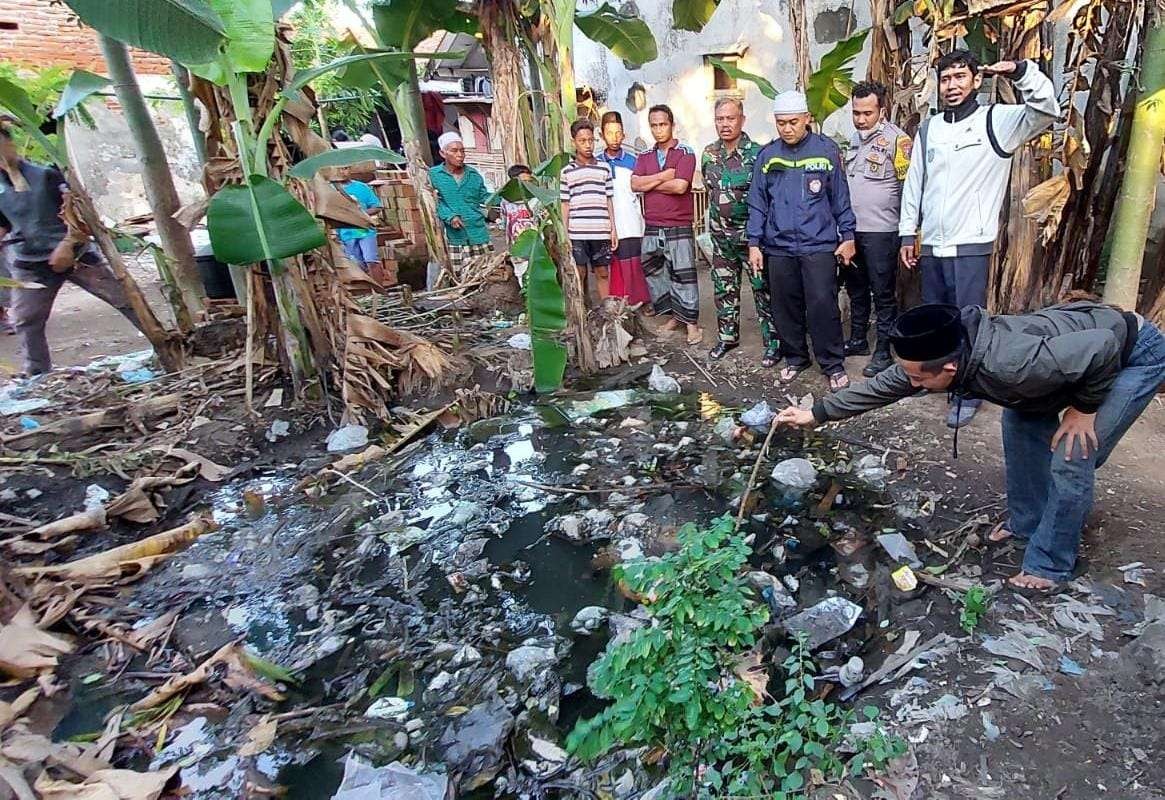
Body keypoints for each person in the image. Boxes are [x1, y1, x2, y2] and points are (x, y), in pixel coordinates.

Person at [776, 301, 1165, 594]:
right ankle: (1027, 524)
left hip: (1130, 352)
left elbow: (1101, 346)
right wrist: (819, 413)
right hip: (1065, 364)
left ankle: (1051, 565)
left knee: (1072, 453)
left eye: (917, 378)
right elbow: (888, 386)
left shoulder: (1011, 365)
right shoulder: (945, 353)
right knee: (1020, 419)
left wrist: (1083, 409)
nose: (911, 383)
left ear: (948, 370)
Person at [899, 50, 1057, 427]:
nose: (952, 85)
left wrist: (1021, 72)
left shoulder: (996, 122)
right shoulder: (930, 128)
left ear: (975, 81)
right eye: (946, 78)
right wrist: (909, 232)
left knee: (968, 323)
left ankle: (968, 392)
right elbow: (915, 183)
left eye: (960, 77)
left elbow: (1045, 109)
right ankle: (936, 380)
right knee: (935, 320)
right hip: (933, 244)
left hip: (971, 242)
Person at [0, 125, 143, 375]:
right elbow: (4, 224)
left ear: (10, 144)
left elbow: (79, 214)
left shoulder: (46, 176)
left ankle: (166, 343)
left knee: (125, 298)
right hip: (30, 262)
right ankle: (38, 375)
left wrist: (68, 244)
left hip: (75, 254)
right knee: (26, 320)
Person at [747, 90, 857, 393]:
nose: (787, 128)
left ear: (807, 118)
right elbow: (758, 202)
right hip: (778, 246)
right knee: (785, 307)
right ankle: (796, 358)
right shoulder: (768, 156)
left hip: (818, 245)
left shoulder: (826, 151)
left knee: (823, 305)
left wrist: (848, 236)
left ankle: (833, 364)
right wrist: (754, 242)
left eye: (793, 122)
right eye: (781, 123)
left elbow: (840, 198)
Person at [701, 97, 777, 365]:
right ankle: (727, 338)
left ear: (742, 120)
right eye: (720, 119)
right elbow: (710, 190)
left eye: (730, 118)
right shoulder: (709, 154)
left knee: (763, 290)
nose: (725, 124)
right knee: (724, 289)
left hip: (750, 239)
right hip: (721, 240)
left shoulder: (757, 154)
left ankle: (773, 343)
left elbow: (765, 198)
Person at [843, 81, 911, 377]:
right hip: (851, 230)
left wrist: (910, 230)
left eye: (867, 113)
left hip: (882, 230)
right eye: (856, 113)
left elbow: (908, 187)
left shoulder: (899, 141)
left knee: (882, 292)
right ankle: (858, 339)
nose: (861, 119)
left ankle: (884, 349)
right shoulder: (853, 140)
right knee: (856, 288)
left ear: (881, 111)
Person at [631, 104, 701, 345]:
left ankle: (692, 324)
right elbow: (635, 185)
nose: (658, 130)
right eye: (654, 125)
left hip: (677, 224)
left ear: (672, 125)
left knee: (683, 274)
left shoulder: (685, 152)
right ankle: (674, 316)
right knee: (655, 269)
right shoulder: (644, 156)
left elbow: (681, 186)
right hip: (652, 224)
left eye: (663, 124)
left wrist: (648, 182)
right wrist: (664, 176)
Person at [597, 111, 650, 307]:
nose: (615, 137)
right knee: (613, 266)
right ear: (601, 135)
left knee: (634, 264)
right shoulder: (597, 163)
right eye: (610, 133)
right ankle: (616, 304)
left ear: (624, 135)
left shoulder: (634, 162)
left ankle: (639, 303)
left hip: (631, 221)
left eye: (618, 133)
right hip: (606, 224)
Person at [560, 118, 618, 300]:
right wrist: (565, 234)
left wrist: (613, 229)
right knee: (580, 273)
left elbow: (609, 200)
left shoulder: (604, 168)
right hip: (577, 232)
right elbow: (565, 204)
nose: (588, 145)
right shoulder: (566, 172)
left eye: (590, 140)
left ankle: (608, 316)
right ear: (574, 142)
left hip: (600, 231)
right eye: (582, 141)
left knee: (602, 273)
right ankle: (582, 314)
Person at [430, 131, 493, 276]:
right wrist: (450, 216)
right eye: (454, 151)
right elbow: (433, 201)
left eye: (462, 150)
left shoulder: (473, 174)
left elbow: (484, 196)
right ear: (443, 153)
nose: (460, 155)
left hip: (478, 232)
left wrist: (504, 196)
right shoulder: (434, 175)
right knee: (459, 276)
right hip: (453, 237)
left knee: (486, 273)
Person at [333, 169, 383, 275]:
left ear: (350, 169)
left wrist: (361, 213)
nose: (342, 172)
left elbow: (377, 206)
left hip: (365, 230)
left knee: (371, 260)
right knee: (357, 266)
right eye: (339, 169)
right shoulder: (330, 190)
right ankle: (366, 291)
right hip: (345, 233)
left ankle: (380, 290)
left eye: (345, 168)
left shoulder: (361, 187)